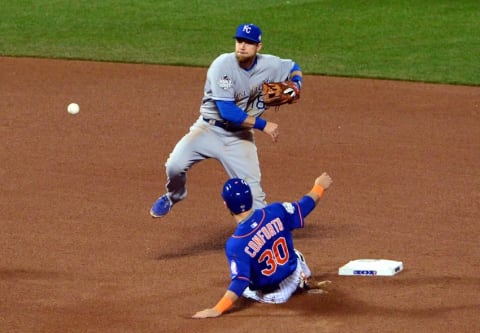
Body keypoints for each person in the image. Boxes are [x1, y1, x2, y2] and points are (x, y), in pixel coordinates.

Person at [150, 23, 303, 218]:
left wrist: (297, 84)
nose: (242, 46)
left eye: (249, 43)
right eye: (240, 41)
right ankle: (174, 196)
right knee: (174, 165)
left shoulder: (270, 64)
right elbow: (227, 111)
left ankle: (261, 236)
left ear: (259, 47)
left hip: (239, 137)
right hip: (208, 129)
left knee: (255, 196)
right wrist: (264, 125)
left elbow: (293, 66)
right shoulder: (222, 66)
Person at [192, 172, 333, 319]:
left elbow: (240, 282)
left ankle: (297, 283)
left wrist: (217, 309)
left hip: (276, 296)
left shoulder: (235, 244)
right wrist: (319, 186)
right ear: (251, 198)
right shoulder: (277, 210)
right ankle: (305, 279)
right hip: (295, 273)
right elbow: (304, 207)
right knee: (293, 252)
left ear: (226, 205)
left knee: (244, 277)